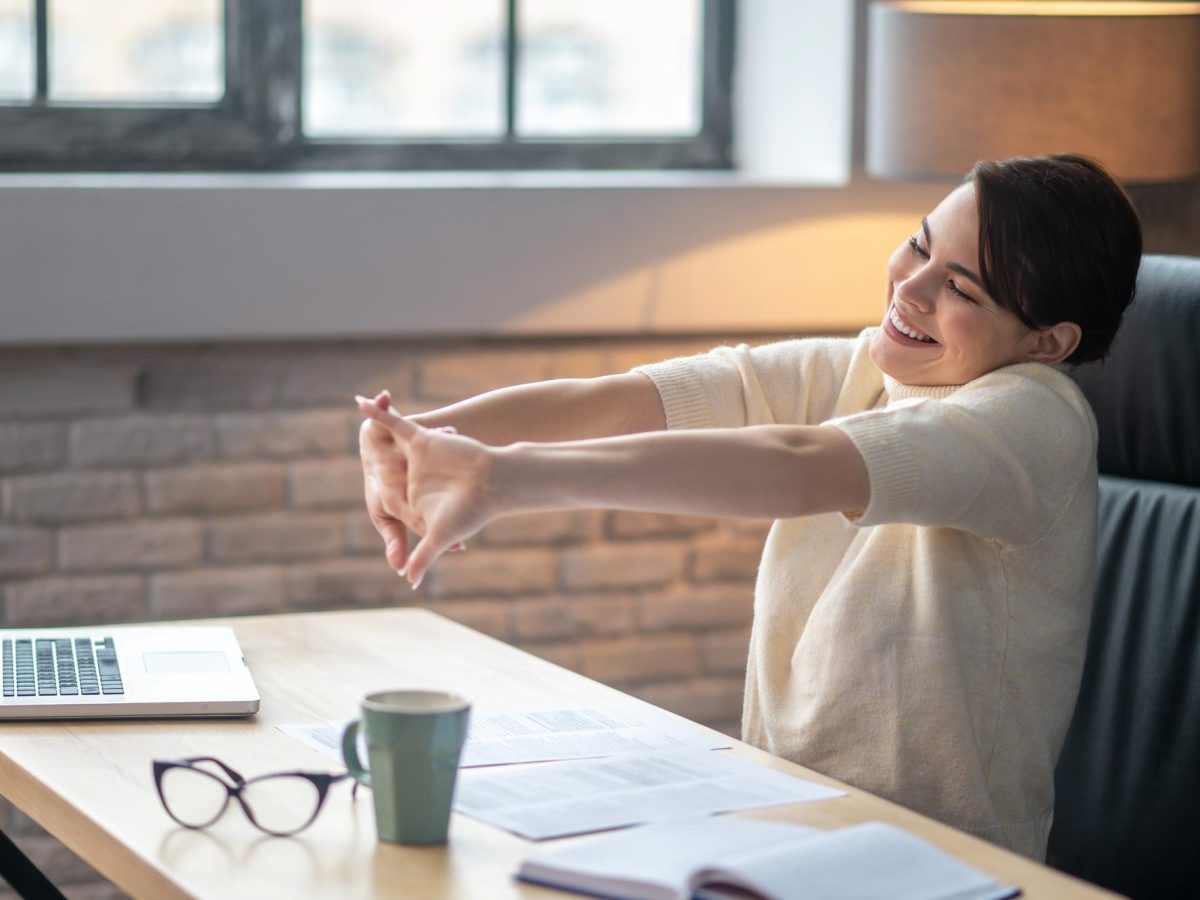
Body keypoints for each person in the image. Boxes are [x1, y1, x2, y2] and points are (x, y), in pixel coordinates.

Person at [356, 154, 1142, 861]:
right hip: (786, 824)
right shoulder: (868, 366)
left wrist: (503, 478)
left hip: (940, 862)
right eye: (919, 243)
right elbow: (627, 401)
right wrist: (421, 441)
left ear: (1048, 342)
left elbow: (799, 465)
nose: (910, 285)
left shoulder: (1034, 420)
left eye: (960, 286)